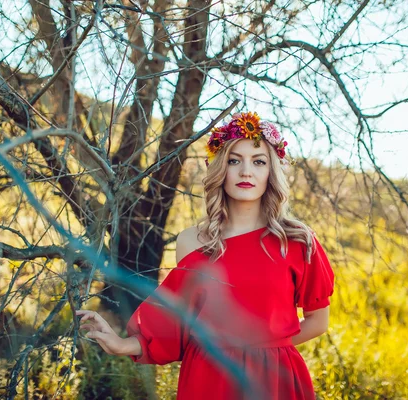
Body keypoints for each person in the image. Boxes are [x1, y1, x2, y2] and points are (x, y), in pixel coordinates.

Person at [76, 111, 335, 400]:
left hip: (273, 378)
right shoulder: (192, 241)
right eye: (234, 160)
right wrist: (122, 344)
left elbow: (317, 321)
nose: (245, 171)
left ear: (270, 172)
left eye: (258, 161)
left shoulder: (297, 241)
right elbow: (177, 324)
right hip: (208, 378)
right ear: (219, 169)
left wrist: (260, 348)